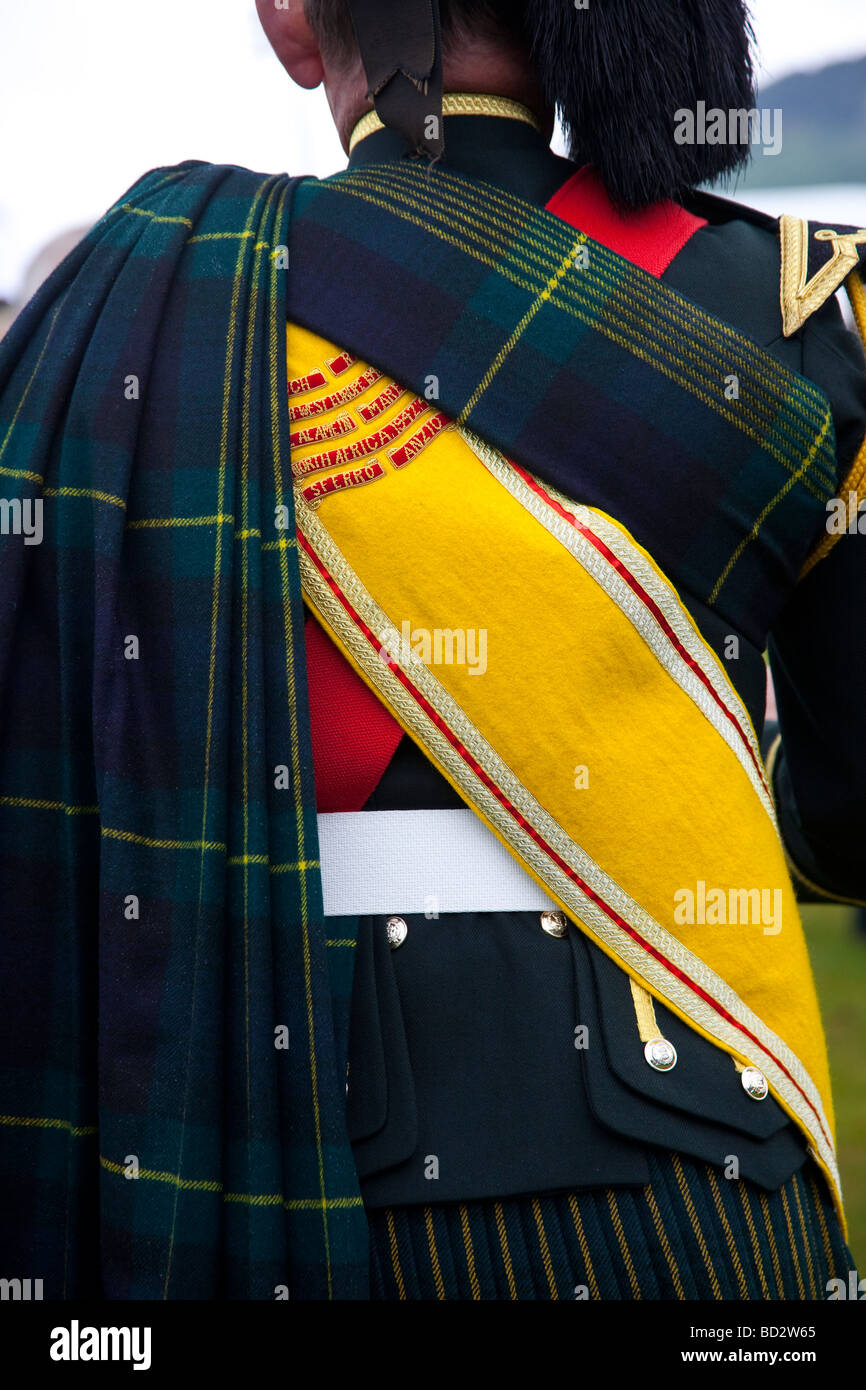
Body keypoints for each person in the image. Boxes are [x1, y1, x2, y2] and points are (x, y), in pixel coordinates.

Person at [0, 0, 863, 1301]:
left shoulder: (140, 304)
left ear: (294, 22)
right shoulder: (806, 304)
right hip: (705, 1166)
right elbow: (850, 822)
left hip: (273, 1161)